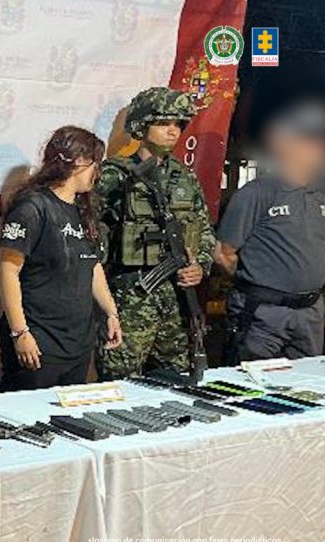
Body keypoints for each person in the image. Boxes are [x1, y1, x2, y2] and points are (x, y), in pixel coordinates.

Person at [96, 87, 216, 380]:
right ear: (141, 125)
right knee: (120, 379)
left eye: (177, 124)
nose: (173, 131)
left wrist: (199, 266)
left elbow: (203, 231)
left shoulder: (185, 178)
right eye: (163, 123)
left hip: (176, 299)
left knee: (175, 380)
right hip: (131, 294)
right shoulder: (115, 174)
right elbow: (91, 235)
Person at [0, 127, 123, 391]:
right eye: (95, 164)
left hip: (78, 344)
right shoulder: (32, 207)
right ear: (78, 162)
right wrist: (20, 332)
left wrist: (111, 312)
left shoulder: (85, 208)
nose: (97, 172)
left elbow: (93, 265)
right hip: (39, 342)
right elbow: (8, 270)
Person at [216, 99, 325, 360]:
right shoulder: (257, 193)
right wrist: (255, 286)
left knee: (306, 389)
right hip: (262, 314)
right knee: (248, 386)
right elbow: (224, 253)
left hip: (310, 313)